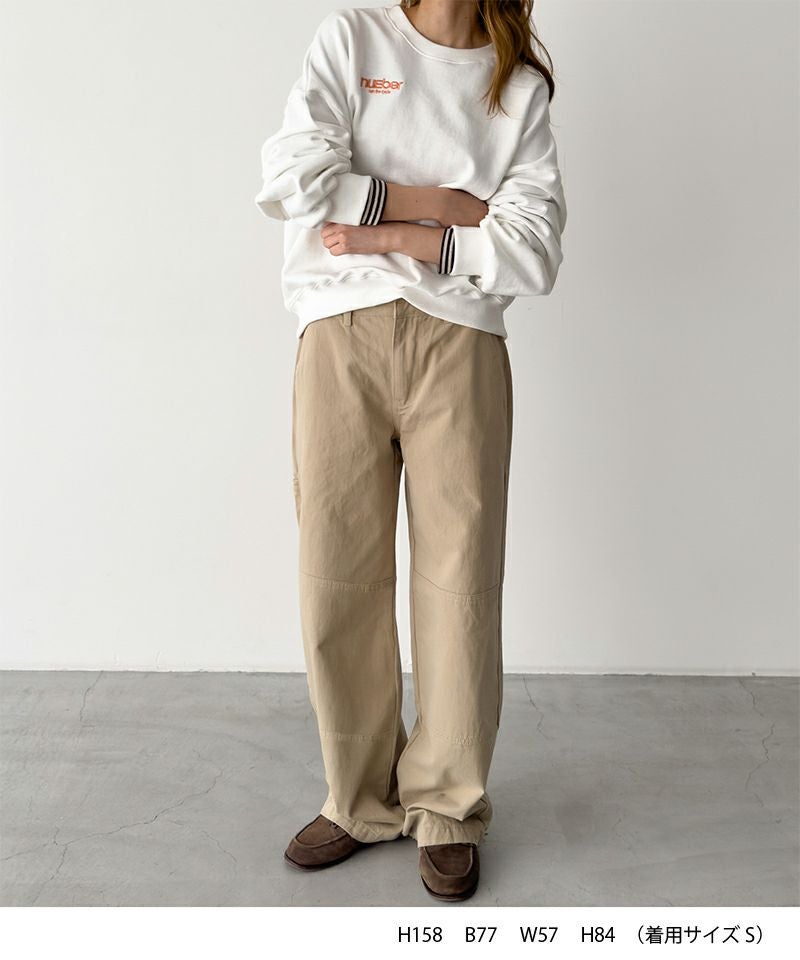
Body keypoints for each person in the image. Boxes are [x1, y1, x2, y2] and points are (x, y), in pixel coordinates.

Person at [253, 0, 566, 901]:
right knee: (337, 572)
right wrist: (444, 209)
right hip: (339, 330)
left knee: (459, 582)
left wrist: (392, 231)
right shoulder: (354, 39)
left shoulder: (516, 87)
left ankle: (448, 808)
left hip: (460, 344)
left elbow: (534, 250)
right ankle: (359, 800)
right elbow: (292, 177)